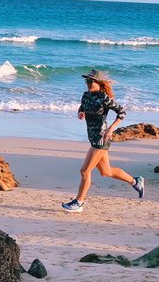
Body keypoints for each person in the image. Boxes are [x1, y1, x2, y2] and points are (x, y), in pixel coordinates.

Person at [62, 69, 145, 212]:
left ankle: (79, 203)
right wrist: (80, 113)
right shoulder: (86, 95)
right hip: (92, 138)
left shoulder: (103, 98)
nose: (87, 83)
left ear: (98, 82)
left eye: (90, 81)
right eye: (86, 81)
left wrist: (111, 128)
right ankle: (135, 181)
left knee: (84, 171)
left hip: (102, 139)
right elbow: (81, 107)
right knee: (106, 172)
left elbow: (122, 112)